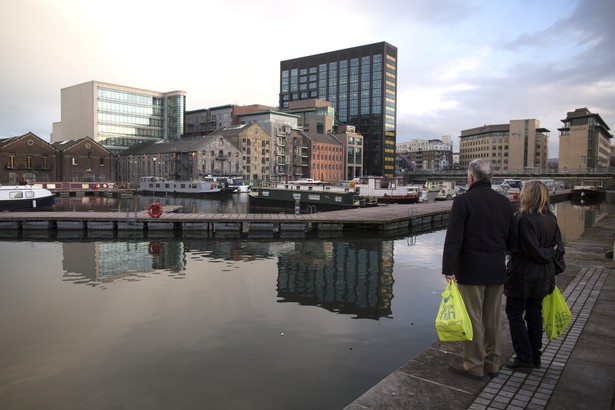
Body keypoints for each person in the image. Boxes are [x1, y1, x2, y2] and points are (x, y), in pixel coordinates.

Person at [442, 159, 516, 380]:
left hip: (471, 270)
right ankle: (492, 363)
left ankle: (474, 365)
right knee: (493, 318)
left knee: (473, 318)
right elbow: (512, 240)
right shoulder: (504, 202)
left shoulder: (463, 201)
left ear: (471, 178)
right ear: (490, 178)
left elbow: (453, 239)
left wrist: (448, 268)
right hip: (496, 269)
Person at [504, 180, 565, 372]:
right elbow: (558, 249)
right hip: (544, 275)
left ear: (528, 195)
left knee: (514, 313)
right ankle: (535, 356)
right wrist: (550, 253)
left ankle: (524, 357)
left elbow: (530, 250)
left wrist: (545, 252)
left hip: (523, 274)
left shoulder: (523, 219)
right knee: (534, 313)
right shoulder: (551, 218)